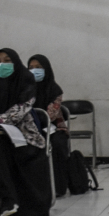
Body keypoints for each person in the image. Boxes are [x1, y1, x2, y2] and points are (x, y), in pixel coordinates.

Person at [0, 48, 51, 216]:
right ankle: (5, 202)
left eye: (7, 60)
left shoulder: (26, 82)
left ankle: (6, 202)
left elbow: (20, 110)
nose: (2, 64)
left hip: (24, 137)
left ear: (16, 63)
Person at [28, 54, 70, 197]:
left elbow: (50, 115)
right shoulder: (24, 89)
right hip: (28, 127)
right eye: (31, 68)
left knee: (57, 143)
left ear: (46, 69)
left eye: (38, 68)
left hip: (52, 128)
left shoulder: (54, 90)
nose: (34, 71)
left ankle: (58, 186)